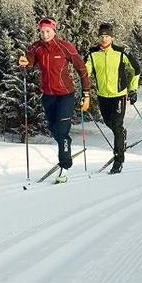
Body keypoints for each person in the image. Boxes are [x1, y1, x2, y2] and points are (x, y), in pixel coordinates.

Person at [23, 17, 90, 183]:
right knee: (54, 130)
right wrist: (23, 64)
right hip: (48, 96)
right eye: (42, 31)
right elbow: (29, 66)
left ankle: (64, 167)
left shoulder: (65, 47)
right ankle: (65, 145)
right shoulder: (35, 48)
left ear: (54, 31)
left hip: (66, 95)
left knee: (61, 131)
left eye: (48, 31)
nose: (45, 34)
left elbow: (81, 69)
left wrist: (86, 94)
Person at [85, 22, 142, 173]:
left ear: (112, 37)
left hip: (118, 95)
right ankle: (122, 134)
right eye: (101, 36)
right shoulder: (92, 54)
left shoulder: (121, 52)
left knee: (117, 125)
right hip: (102, 95)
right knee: (108, 122)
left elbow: (135, 69)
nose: (104, 39)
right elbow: (85, 73)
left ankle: (118, 160)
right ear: (98, 38)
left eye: (107, 36)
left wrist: (133, 89)